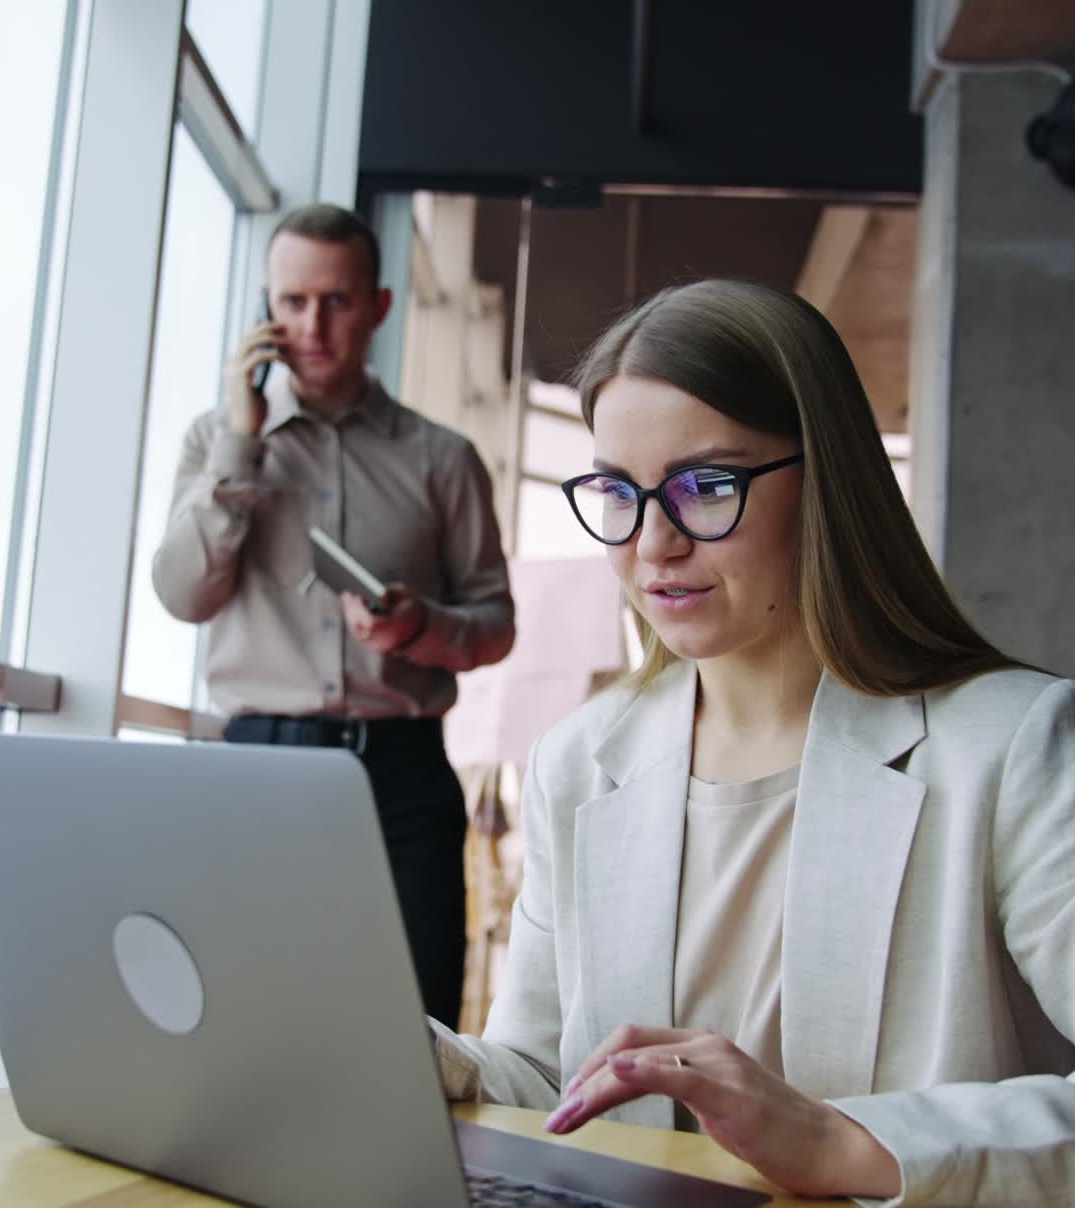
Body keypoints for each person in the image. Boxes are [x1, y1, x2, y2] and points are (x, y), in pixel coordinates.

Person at [429, 278, 1075, 1204]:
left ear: (826, 483)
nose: (654, 543)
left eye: (705, 485)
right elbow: (548, 1080)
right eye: (619, 491)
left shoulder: (1011, 749)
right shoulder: (579, 761)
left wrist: (841, 1141)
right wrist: (421, 1058)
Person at [152, 203, 515, 1028]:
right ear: (265, 310)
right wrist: (241, 444)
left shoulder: (443, 459)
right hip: (256, 771)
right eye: (291, 302)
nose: (312, 325)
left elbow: (496, 623)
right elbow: (182, 595)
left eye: (338, 301)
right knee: (241, 1018)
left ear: (379, 307)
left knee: (416, 1030)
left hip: (404, 777)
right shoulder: (214, 443)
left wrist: (418, 628)